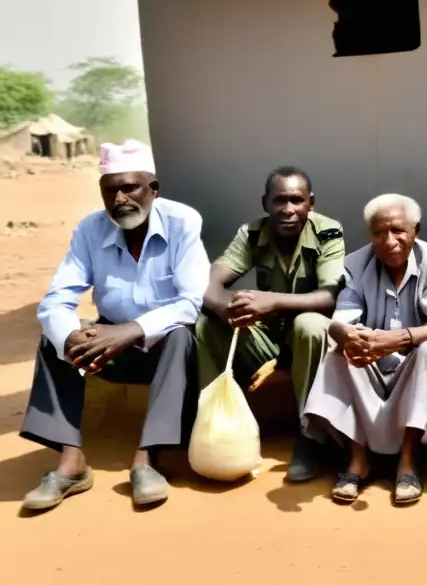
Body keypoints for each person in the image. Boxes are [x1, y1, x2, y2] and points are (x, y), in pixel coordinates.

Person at [20, 140, 209, 512]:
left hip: (163, 347)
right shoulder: (90, 229)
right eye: (111, 190)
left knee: (181, 335)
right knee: (52, 338)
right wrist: (71, 336)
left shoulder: (182, 221)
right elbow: (57, 298)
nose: (120, 198)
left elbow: (191, 302)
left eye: (130, 188)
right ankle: (71, 462)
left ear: (153, 190)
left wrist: (133, 329)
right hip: (111, 342)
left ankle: (148, 459)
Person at [196, 166, 344, 482]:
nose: (288, 210)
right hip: (269, 338)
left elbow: (330, 296)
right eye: (279, 201)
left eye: (296, 200)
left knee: (310, 324)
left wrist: (271, 301)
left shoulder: (328, 232)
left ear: (311, 203)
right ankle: (210, 420)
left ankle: (311, 436)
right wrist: (226, 309)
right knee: (206, 324)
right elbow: (208, 283)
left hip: (310, 343)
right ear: (266, 203)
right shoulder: (252, 233)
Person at [302, 194, 427, 506]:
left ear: (416, 230)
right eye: (379, 232)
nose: (390, 241)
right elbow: (343, 317)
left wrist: (397, 339)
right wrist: (349, 336)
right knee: (339, 354)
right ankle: (358, 460)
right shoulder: (356, 264)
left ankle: (408, 463)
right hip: (370, 364)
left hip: (409, 365)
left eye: (399, 230)